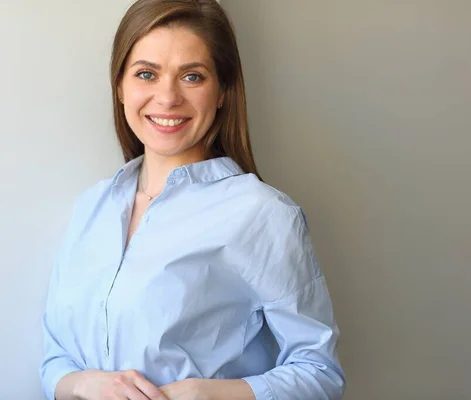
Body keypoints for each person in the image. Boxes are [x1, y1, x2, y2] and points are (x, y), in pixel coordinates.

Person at [39, 0, 345, 399]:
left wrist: (208, 395)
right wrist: (82, 384)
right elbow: (55, 358)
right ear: (120, 86)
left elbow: (320, 374)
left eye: (192, 76)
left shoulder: (262, 214)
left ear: (222, 91)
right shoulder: (90, 207)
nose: (167, 98)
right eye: (146, 74)